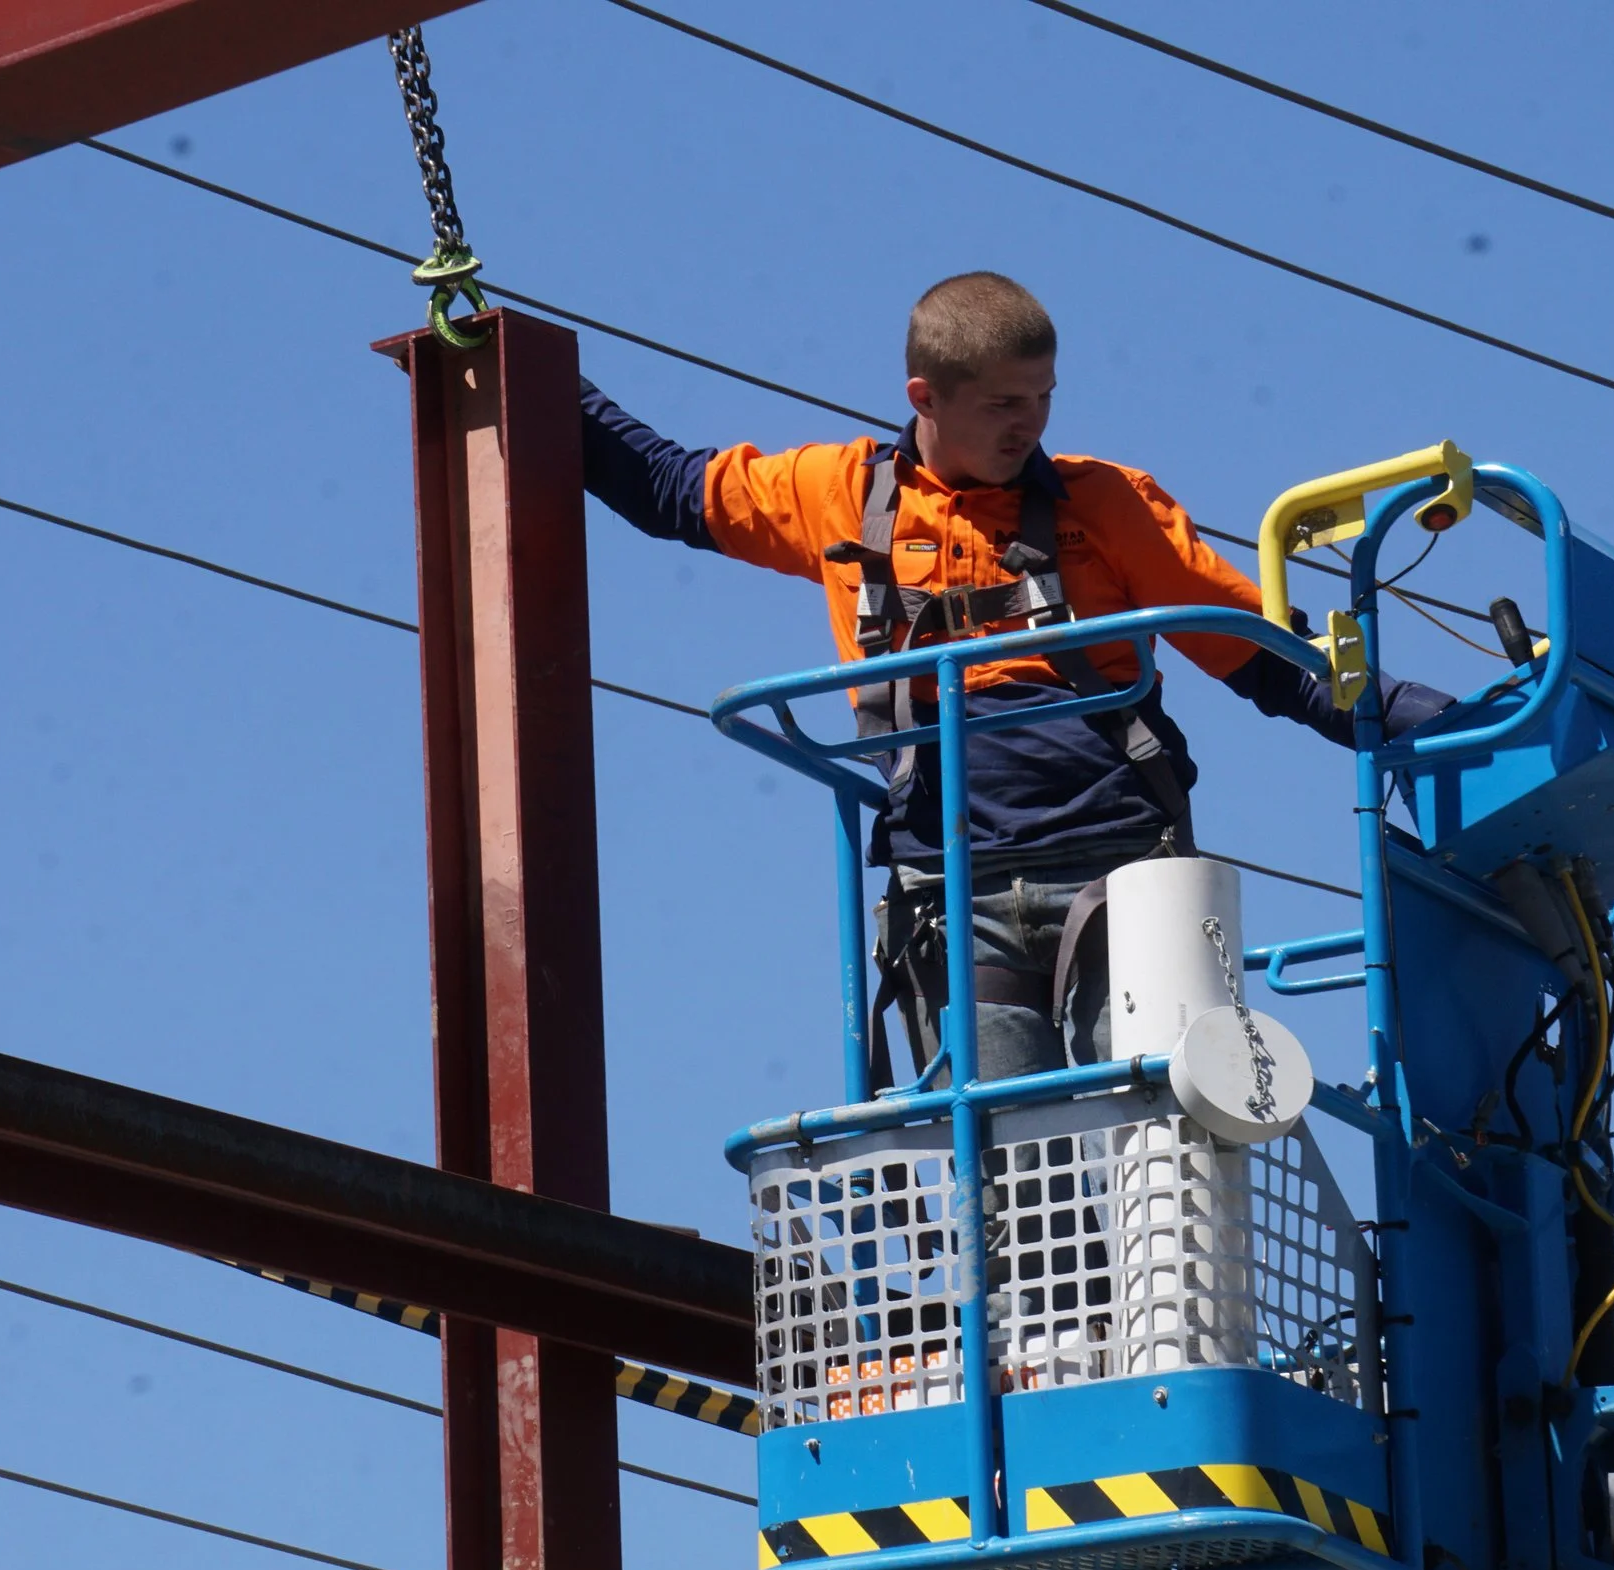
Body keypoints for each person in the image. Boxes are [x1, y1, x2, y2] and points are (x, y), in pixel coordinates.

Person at [580, 271, 1451, 1085]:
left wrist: (1441, 726)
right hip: (952, 889)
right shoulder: (840, 494)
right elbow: (666, 488)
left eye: (1043, 398)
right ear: (925, 396)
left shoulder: (1104, 503)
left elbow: (1268, 663)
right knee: (1008, 1173)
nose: (1029, 423)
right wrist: (532, 367)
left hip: (1119, 870)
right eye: (1003, 403)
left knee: (1159, 1147)